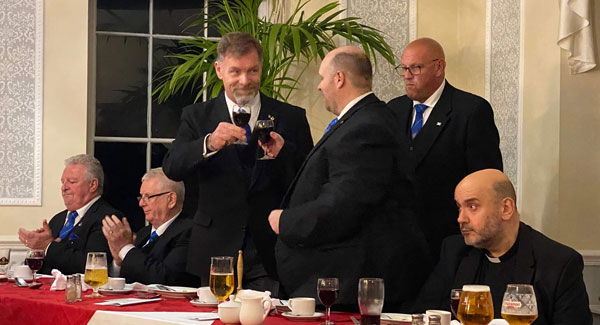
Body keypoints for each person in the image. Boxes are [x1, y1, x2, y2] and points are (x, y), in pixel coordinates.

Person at [269, 46, 430, 310]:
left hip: (353, 281)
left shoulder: (366, 127)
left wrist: (285, 220)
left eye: (322, 78)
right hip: (348, 276)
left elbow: (346, 202)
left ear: (339, 78)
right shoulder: (363, 120)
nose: (320, 86)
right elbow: (335, 175)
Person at [162, 32, 313, 293]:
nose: (245, 81)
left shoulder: (291, 117)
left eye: (252, 71)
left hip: (270, 250)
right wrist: (208, 143)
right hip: (214, 249)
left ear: (261, 69)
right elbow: (172, 167)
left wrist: (283, 152)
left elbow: (310, 179)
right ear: (219, 70)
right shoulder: (197, 116)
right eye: (236, 72)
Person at [413, 169, 592, 324]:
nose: (461, 218)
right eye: (459, 207)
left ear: (506, 208)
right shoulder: (454, 252)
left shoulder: (558, 263)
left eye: (472, 206)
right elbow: (422, 315)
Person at [387, 38, 503, 261]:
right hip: (399, 243)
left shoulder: (470, 111)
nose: (407, 75)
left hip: (447, 243)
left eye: (416, 68)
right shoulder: (394, 109)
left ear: (439, 67)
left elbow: (486, 180)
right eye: (403, 68)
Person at [18, 154, 123, 275]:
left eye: (72, 182)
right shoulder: (58, 219)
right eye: (63, 182)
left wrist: (48, 246)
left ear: (92, 185)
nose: (64, 188)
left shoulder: (108, 219)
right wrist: (38, 250)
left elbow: (92, 265)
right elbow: (38, 269)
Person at [101, 168, 199, 286]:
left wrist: (125, 248)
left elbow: (165, 278)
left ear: (171, 199)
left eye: (148, 197)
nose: (141, 203)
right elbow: (128, 280)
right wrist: (118, 262)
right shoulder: (143, 234)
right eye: (141, 197)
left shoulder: (190, 232)